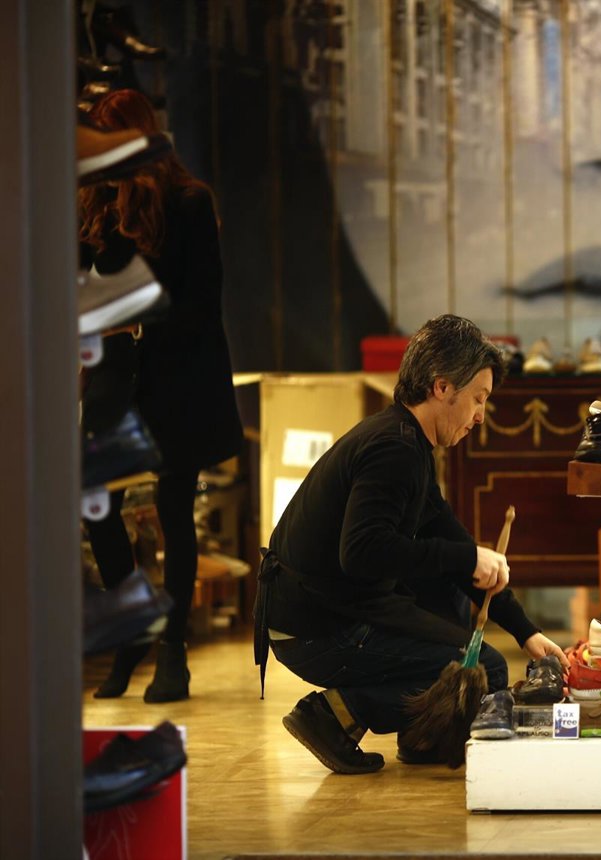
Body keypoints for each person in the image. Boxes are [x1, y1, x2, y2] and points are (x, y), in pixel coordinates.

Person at [256, 314, 566, 774]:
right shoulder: (395, 449)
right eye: (478, 398)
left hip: (326, 607)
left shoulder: (408, 443)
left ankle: (423, 735)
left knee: (447, 591)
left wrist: (526, 632)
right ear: (442, 387)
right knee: (484, 669)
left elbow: (450, 544)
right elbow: (362, 552)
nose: (480, 416)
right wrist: (466, 557)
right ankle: (335, 715)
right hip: (314, 626)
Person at [80, 89, 244, 703]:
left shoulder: (188, 202)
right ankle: (135, 629)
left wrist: (133, 322)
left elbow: (202, 303)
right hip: (116, 376)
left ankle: (172, 650)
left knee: (175, 511)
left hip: (178, 375)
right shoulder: (95, 205)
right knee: (96, 503)